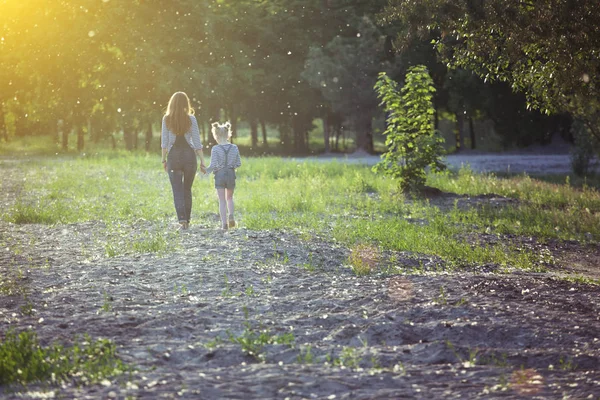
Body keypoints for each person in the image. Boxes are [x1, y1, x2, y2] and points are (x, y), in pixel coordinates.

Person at [161, 92, 206, 230]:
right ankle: (187, 219)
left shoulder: (167, 119)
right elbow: (197, 142)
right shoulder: (191, 119)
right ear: (186, 104)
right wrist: (202, 161)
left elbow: (165, 142)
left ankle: (182, 221)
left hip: (173, 158)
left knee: (177, 190)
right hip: (189, 158)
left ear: (172, 103)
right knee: (187, 189)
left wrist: (163, 160)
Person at [204, 122, 241, 230]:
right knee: (229, 198)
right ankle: (231, 215)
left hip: (219, 175)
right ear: (228, 134)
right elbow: (238, 163)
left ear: (216, 135)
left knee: (221, 200)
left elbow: (213, 165)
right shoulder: (234, 147)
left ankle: (224, 224)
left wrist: (206, 171)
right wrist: (231, 166)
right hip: (230, 174)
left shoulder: (215, 149)